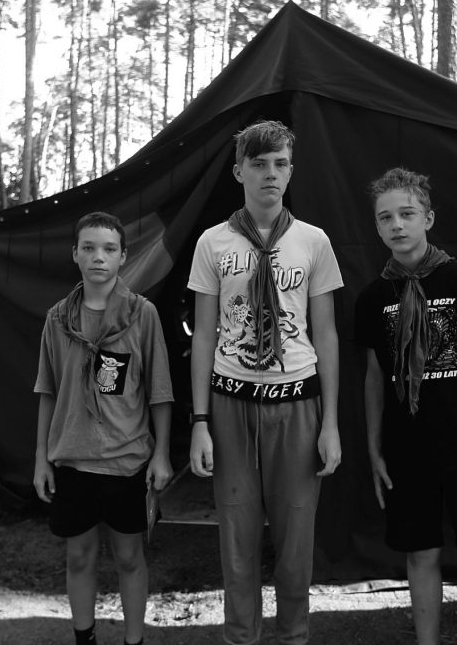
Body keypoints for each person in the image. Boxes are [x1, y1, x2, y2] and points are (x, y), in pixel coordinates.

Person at [187, 120, 344, 645]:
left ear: (291, 171)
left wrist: (331, 424)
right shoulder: (213, 243)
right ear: (239, 172)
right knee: (237, 540)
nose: (270, 174)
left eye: (280, 164)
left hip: (298, 402)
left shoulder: (313, 241)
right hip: (231, 404)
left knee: (296, 542)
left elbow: (326, 333)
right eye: (258, 164)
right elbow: (203, 335)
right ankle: (241, 638)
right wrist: (200, 421)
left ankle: (294, 636)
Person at [355, 167, 457, 645]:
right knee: (420, 553)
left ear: (428, 218)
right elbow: (373, 379)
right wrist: (374, 449)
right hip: (408, 449)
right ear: (377, 226)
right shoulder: (373, 298)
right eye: (385, 217)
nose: (397, 225)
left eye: (407, 214)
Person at [33, 211, 174, 645]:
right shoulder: (58, 319)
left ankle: (134, 640)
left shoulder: (141, 315)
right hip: (73, 460)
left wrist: (162, 454)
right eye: (89, 248)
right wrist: (41, 458)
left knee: (129, 557)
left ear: (123, 256)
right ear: (75, 254)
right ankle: (85, 638)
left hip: (126, 460)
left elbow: (160, 392)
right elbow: (48, 390)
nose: (99, 257)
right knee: (79, 556)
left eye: (109, 249)